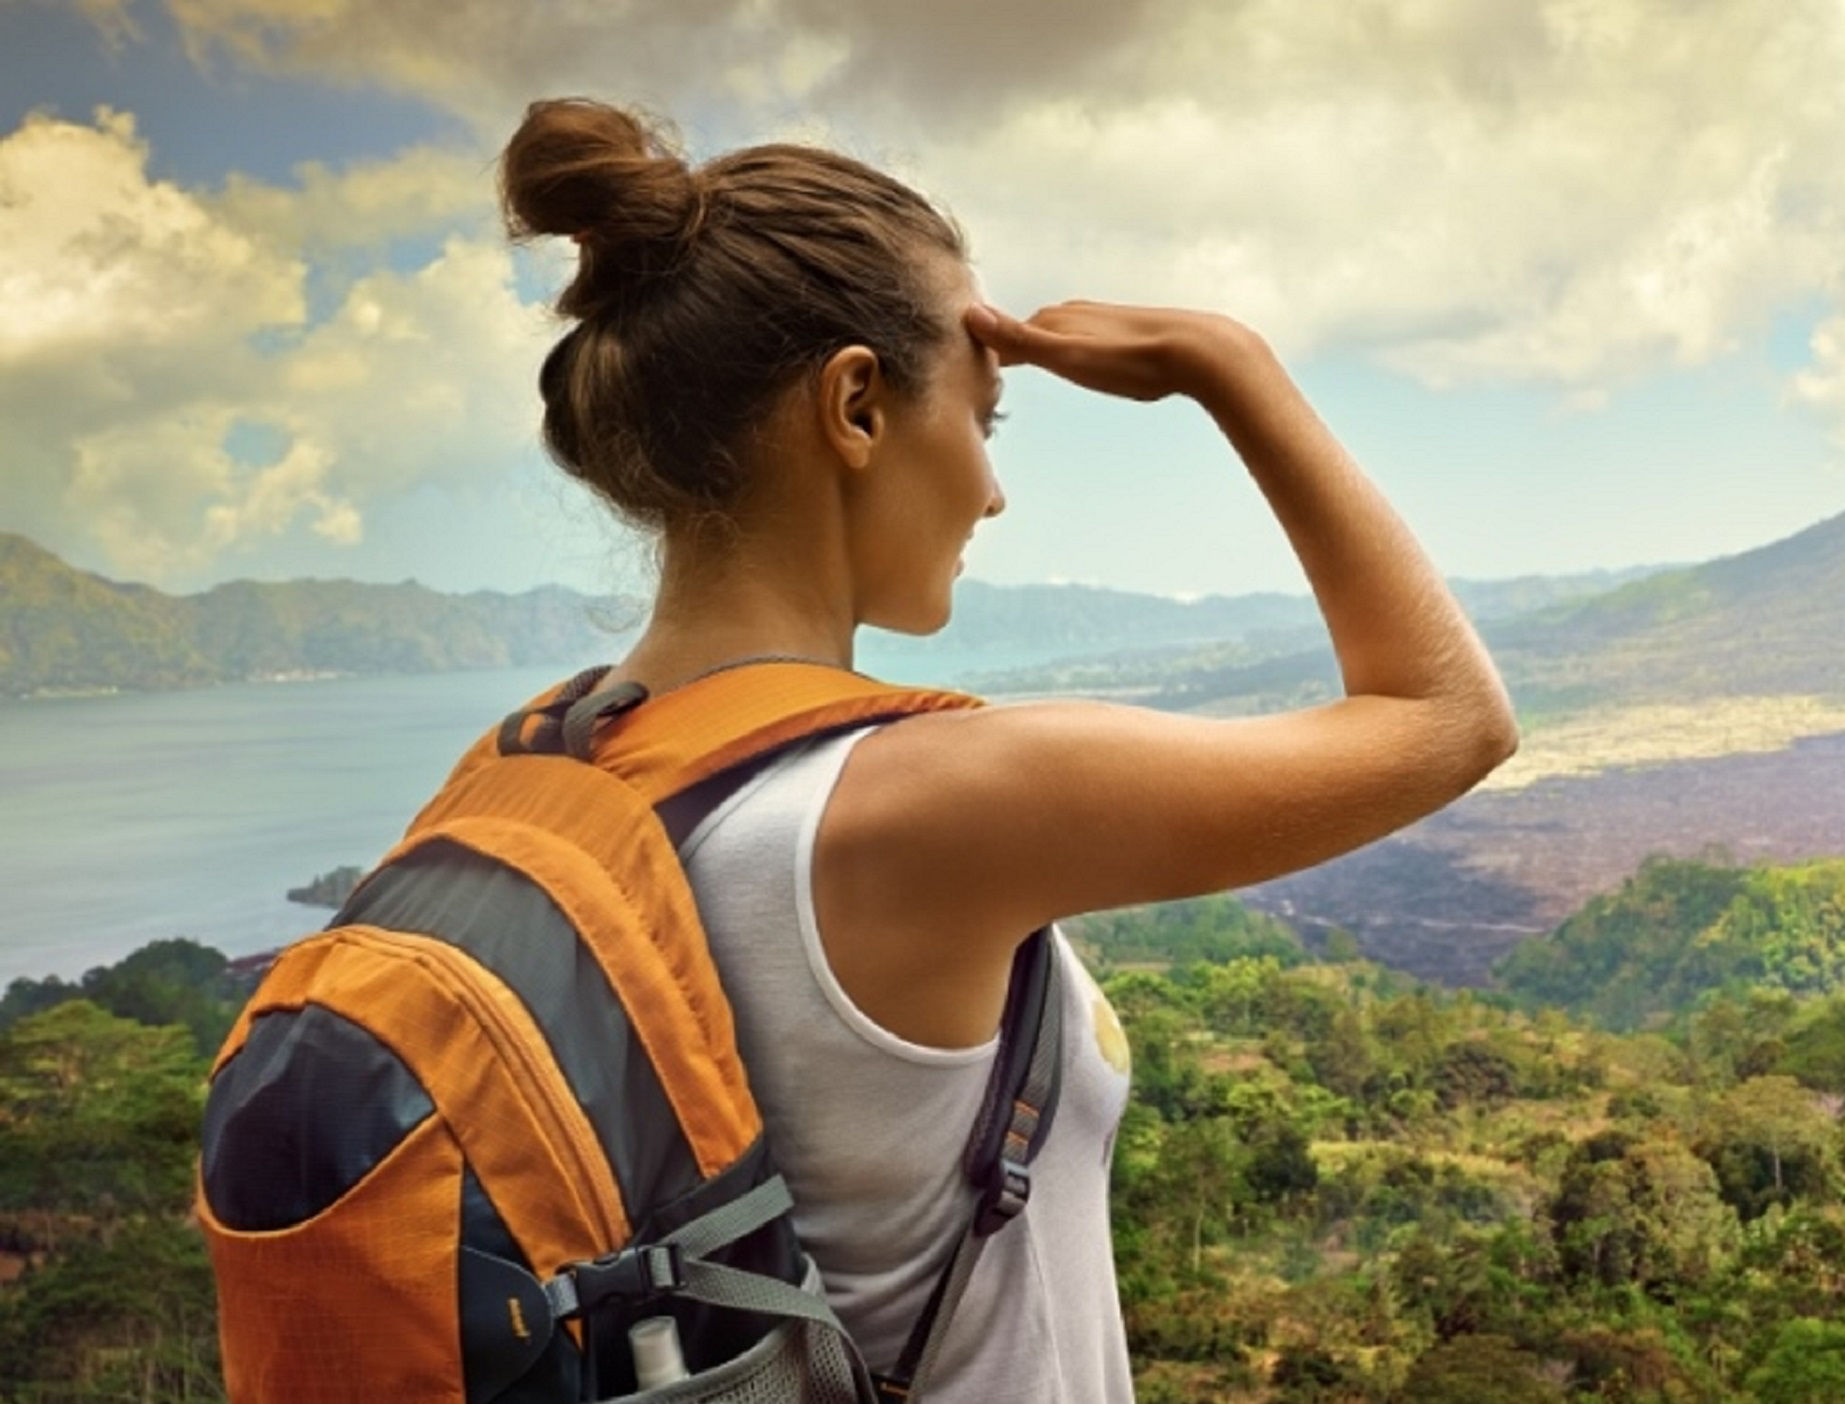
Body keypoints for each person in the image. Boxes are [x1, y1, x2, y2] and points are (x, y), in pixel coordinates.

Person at [495, 97, 1518, 1402]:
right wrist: (1232, 366)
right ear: (856, 406)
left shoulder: (545, 770)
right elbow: (1450, 719)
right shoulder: (918, 803)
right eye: (985, 418)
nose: (991, 487)